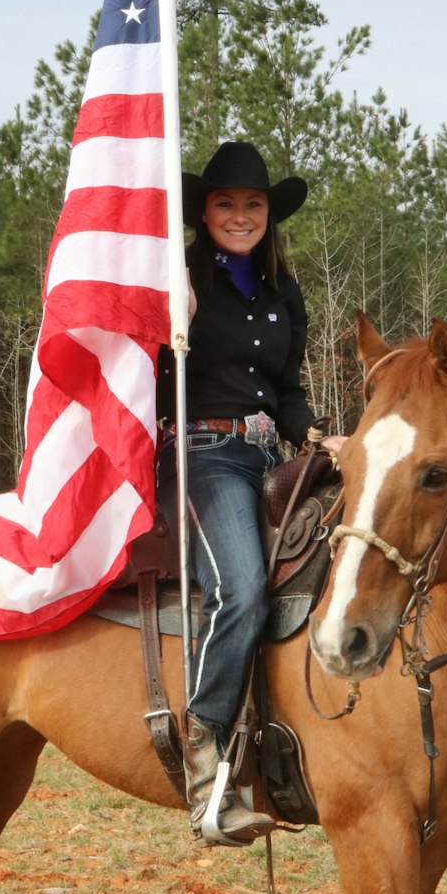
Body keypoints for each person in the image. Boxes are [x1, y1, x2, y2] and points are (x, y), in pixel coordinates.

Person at [156, 140, 344, 847]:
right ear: (205, 212)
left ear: (270, 214)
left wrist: (322, 438)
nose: (241, 216)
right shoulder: (180, 278)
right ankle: (205, 752)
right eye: (227, 204)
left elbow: (288, 390)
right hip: (205, 456)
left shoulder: (278, 291)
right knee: (241, 588)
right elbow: (145, 370)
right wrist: (165, 319)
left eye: (254, 205)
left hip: (271, 458)